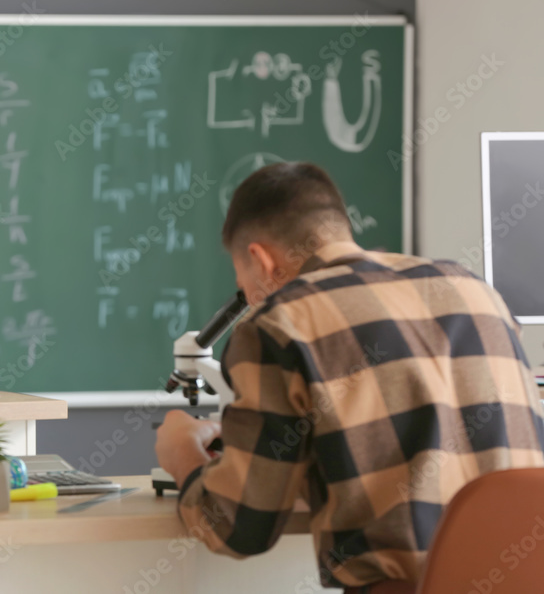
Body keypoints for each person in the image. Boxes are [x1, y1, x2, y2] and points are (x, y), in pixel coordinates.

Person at [155, 162, 544, 594]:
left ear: (260, 260)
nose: (247, 299)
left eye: (241, 282)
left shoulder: (278, 325)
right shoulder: (475, 291)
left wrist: (181, 455)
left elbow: (238, 526)